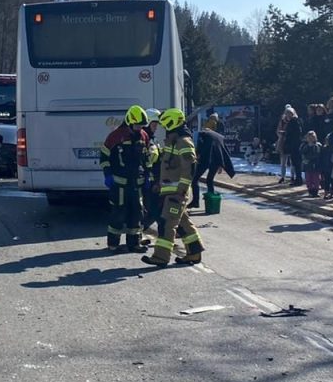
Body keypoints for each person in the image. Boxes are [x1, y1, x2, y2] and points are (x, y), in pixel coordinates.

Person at [141, 108, 203, 267]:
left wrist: (181, 189)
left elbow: (189, 167)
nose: (165, 127)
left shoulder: (183, 141)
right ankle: (194, 253)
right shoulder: (174, 140)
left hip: (177, 192)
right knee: (183, 223)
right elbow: (169, 166)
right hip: (170, 190)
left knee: (167, 223)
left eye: (166, 124)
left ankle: (161, 257)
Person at [100, 105, 152, 252]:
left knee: (137, 213)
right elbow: (104, 156)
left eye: (141, 125)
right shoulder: (115, 136)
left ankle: (134, 243)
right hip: (120, 184)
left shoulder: (143, 136)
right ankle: (113, 245)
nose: (139, 128)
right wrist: (107, 174)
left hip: (137, 183)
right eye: (137, 125)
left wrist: (148, 174)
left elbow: (146, 157)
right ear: (129, 122)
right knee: (118, 213)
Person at [191, 121, 235, 208]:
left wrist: (196, 157)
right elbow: (224, 151)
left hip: (205, 159)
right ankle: (211, 200)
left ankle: (195, 202)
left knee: (195, 179)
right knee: (209, 180)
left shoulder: (202, 134)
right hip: (217, 160)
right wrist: (221, 164)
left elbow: (198, 146)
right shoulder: (219, 136)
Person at [299, 130, 323, 197]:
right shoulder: (304, 145)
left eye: (312, 137)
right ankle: (310, 191)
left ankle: (316, 191)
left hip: (316, 164)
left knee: (316, 178)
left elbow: (319, 154)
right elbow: (301, 152)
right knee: (308, 178)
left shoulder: (318, 145)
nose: (311, 139)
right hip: (307, 164)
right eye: (309, 137)